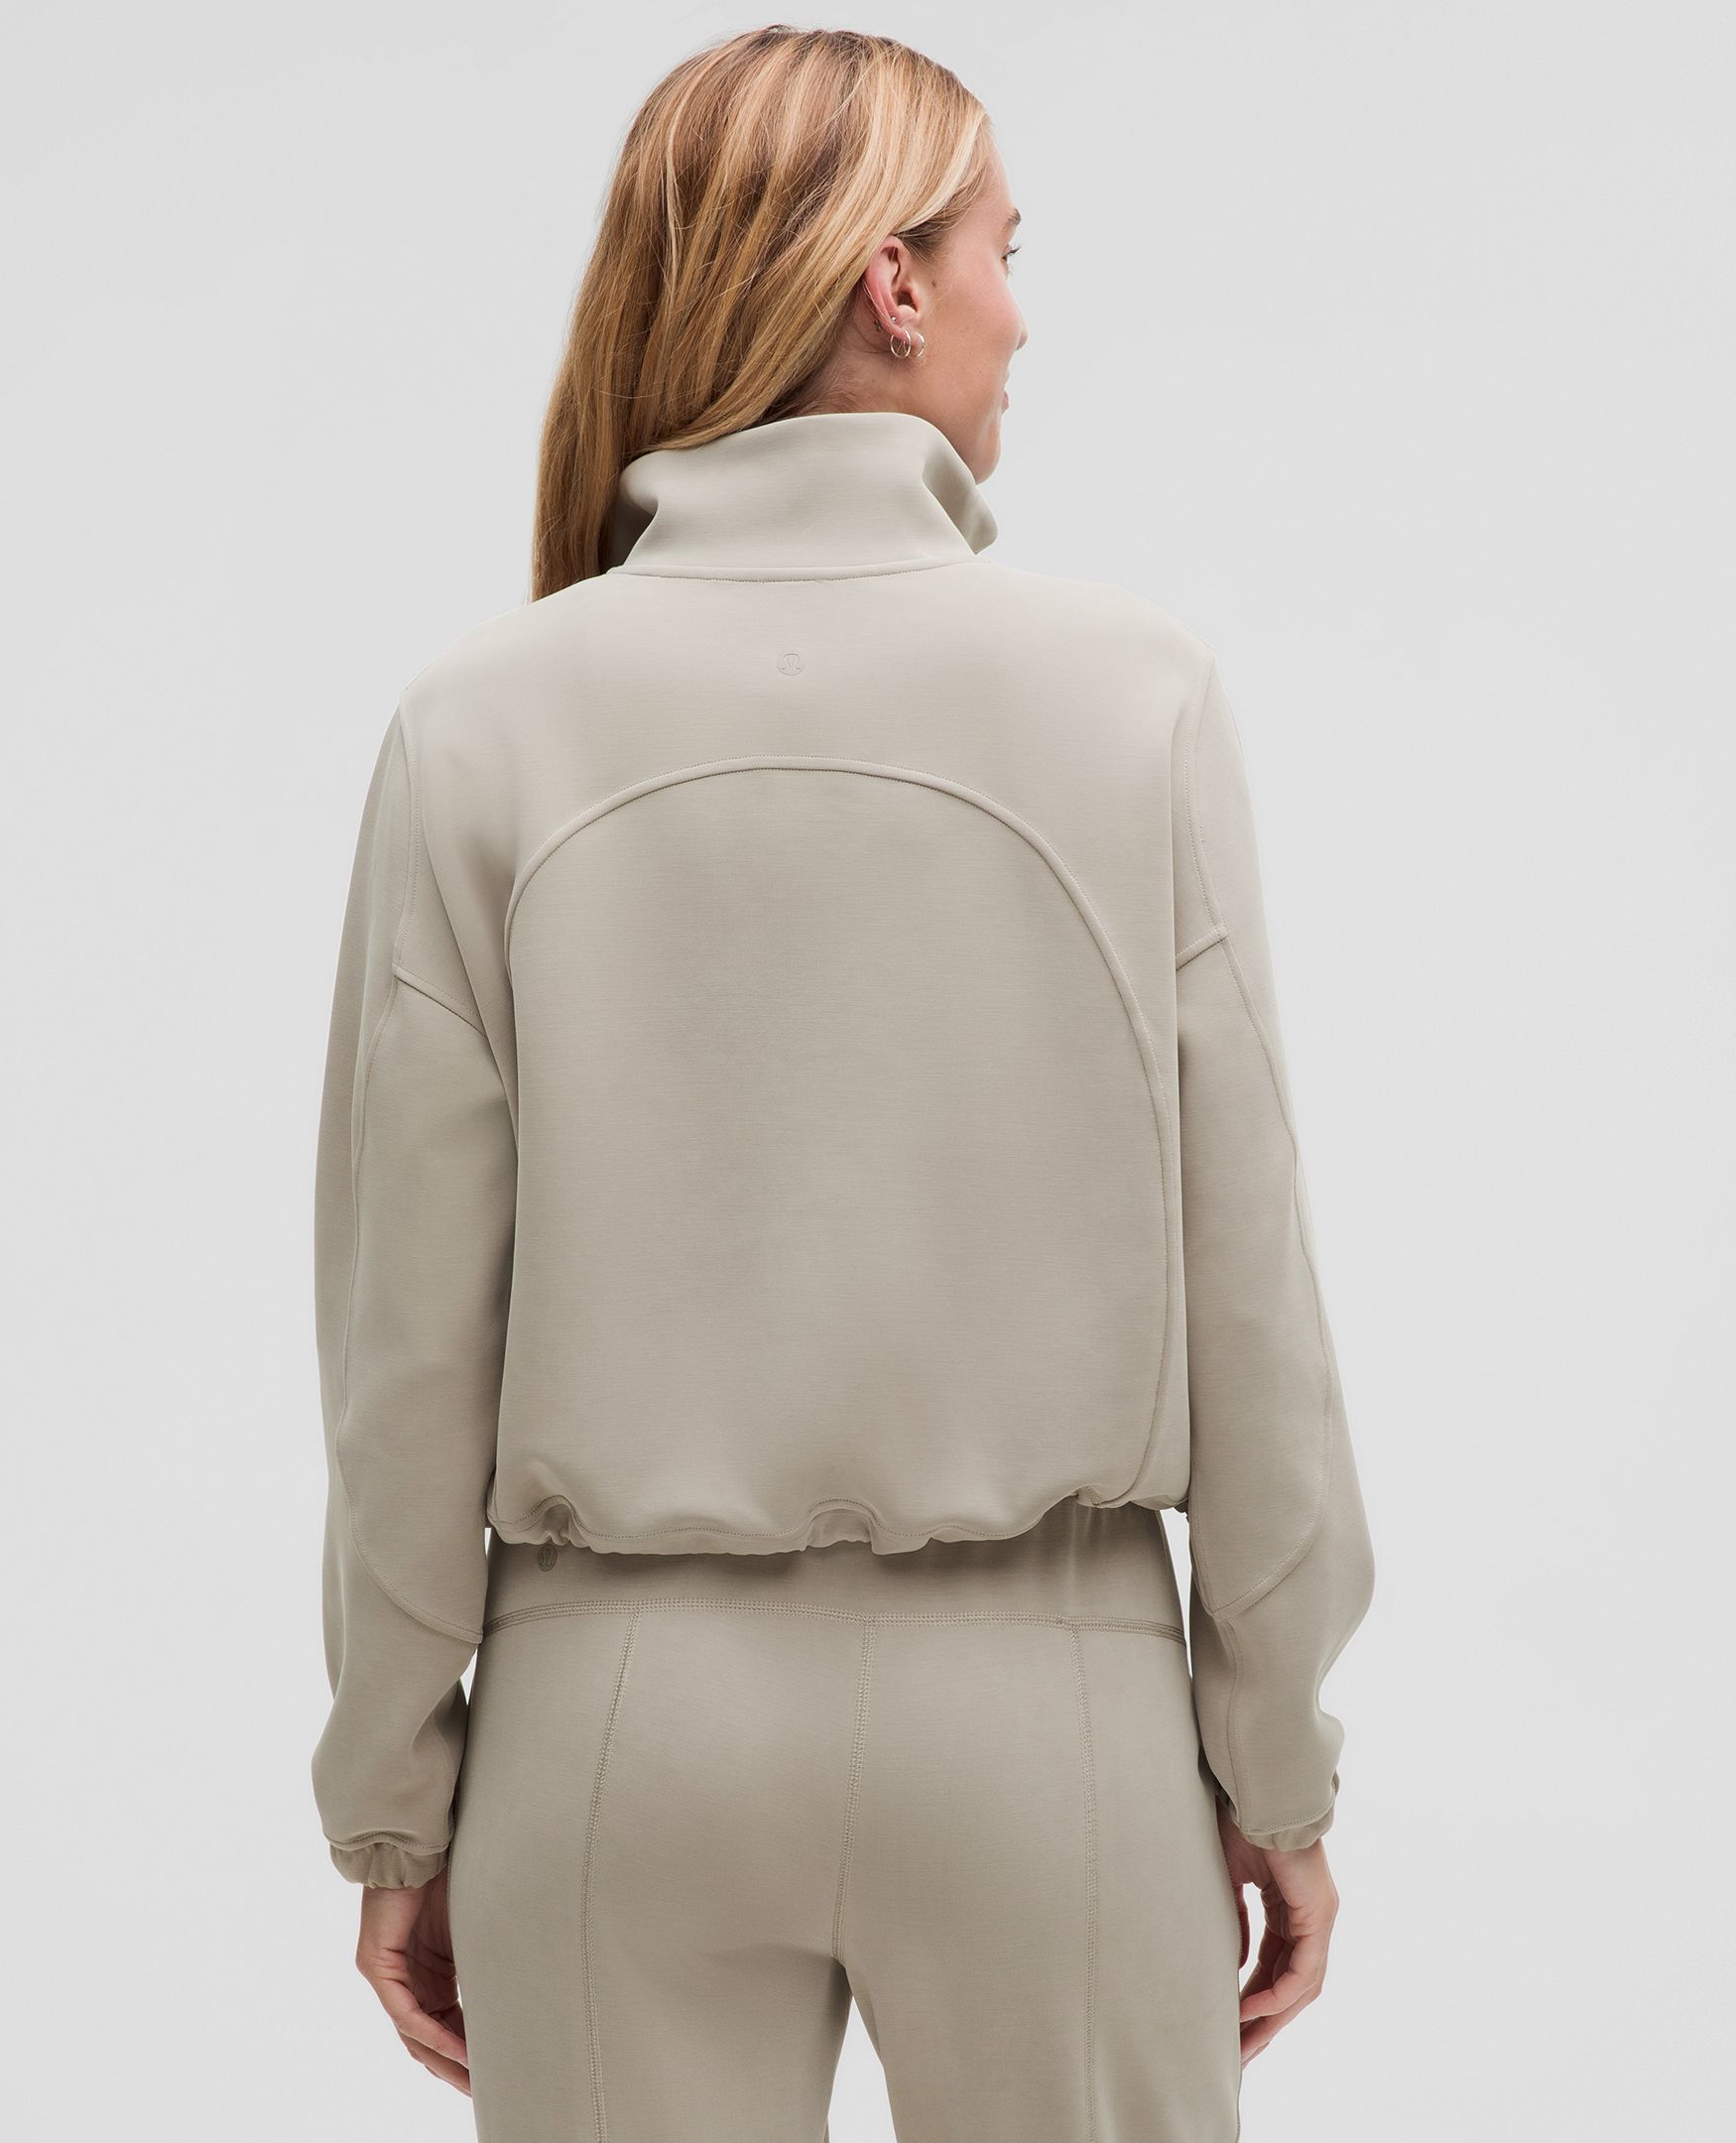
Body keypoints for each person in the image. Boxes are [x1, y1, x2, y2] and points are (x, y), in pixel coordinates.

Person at [310, 25, 1374, 2140]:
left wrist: (397, 1797)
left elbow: (405, 1342)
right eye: (1001, 252)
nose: (1021, 315)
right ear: (892, 282)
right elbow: (1252, 1289)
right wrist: (1276, 1769)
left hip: (613, 1724)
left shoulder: (482, 720)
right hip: (1049, 1718)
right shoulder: (1133, 696)